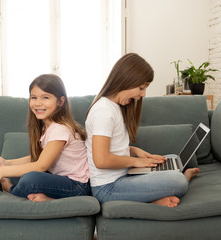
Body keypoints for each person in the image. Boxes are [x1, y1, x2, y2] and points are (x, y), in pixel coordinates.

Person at [85, 53, 199, 207]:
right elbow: (101, 160)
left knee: (170, 158)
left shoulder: (114, 107)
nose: (143, 94)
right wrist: (137, 162)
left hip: (122, 177)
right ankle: (179, 181)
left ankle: (153, 196)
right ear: (126, 79)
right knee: (178, 181)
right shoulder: (104, 112)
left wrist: (134, 151)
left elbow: (110, 147)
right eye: (141, 88)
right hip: (108, 188)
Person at [0, 74, 90, 202]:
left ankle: (9, 188)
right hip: (63, 181)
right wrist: (7, 162)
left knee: (30, 179)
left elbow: (41, 165)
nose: (38, 103)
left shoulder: (60, 129)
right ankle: (49, 198)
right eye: (34, 97)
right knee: (29, 177)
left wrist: (2, 172)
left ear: (60, 101)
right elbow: (38, 157)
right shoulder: (46, 127)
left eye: (45, 97)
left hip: (78, 186)